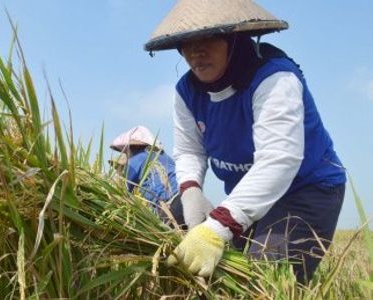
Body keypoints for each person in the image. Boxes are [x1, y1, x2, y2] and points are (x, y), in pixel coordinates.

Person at [144, 0, 346, 283]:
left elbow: (279, 159)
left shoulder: (274, 78)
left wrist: (220, 225)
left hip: (306, 189)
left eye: (209, 37)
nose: (196, 51)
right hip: (249, 190)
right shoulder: (186, 91)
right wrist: (191, 190)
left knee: (265, 275)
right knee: (220, 270)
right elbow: (190, 149)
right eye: (186, 42)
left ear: (234, 37)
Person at [110, 126, 213, 227]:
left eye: (126, 151)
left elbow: (121, 190)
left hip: (171, 207)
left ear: (134, 147)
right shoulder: (164, 157)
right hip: (190, 198)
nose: (127, 155)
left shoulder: (136, 159)